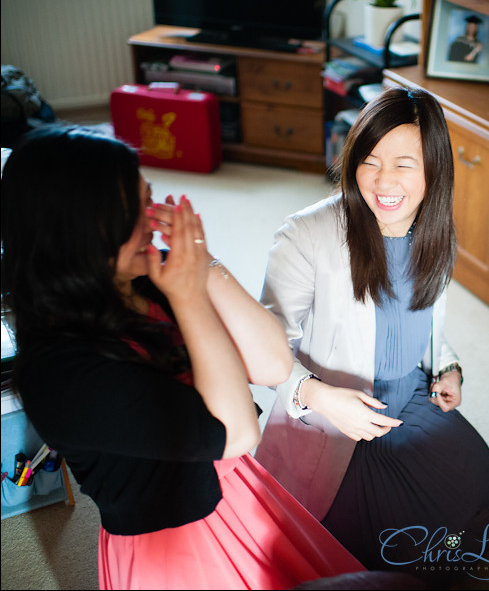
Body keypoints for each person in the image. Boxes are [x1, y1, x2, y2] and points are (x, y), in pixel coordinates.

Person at [0, 127, 365, 590]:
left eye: (147, 201)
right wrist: (190, 298)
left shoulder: (148, 281)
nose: (150, 223)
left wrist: (205, 264)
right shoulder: (61, 375)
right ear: (68, 230)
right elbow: (236, 433)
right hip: (173, 546)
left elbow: (273, 364)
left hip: (238, 491)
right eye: (127, 213)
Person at [253, 87, 489, 576]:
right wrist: (320, 397)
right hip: (328, 419)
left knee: (479, 505)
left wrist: (447, 365)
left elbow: (425, 320)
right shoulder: (305, 234)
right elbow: (264, 350)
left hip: (408, 398)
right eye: (369, 161)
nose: (383, 180)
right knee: (363, 563)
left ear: (434, 167)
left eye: (404, 164)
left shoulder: (436, 233)